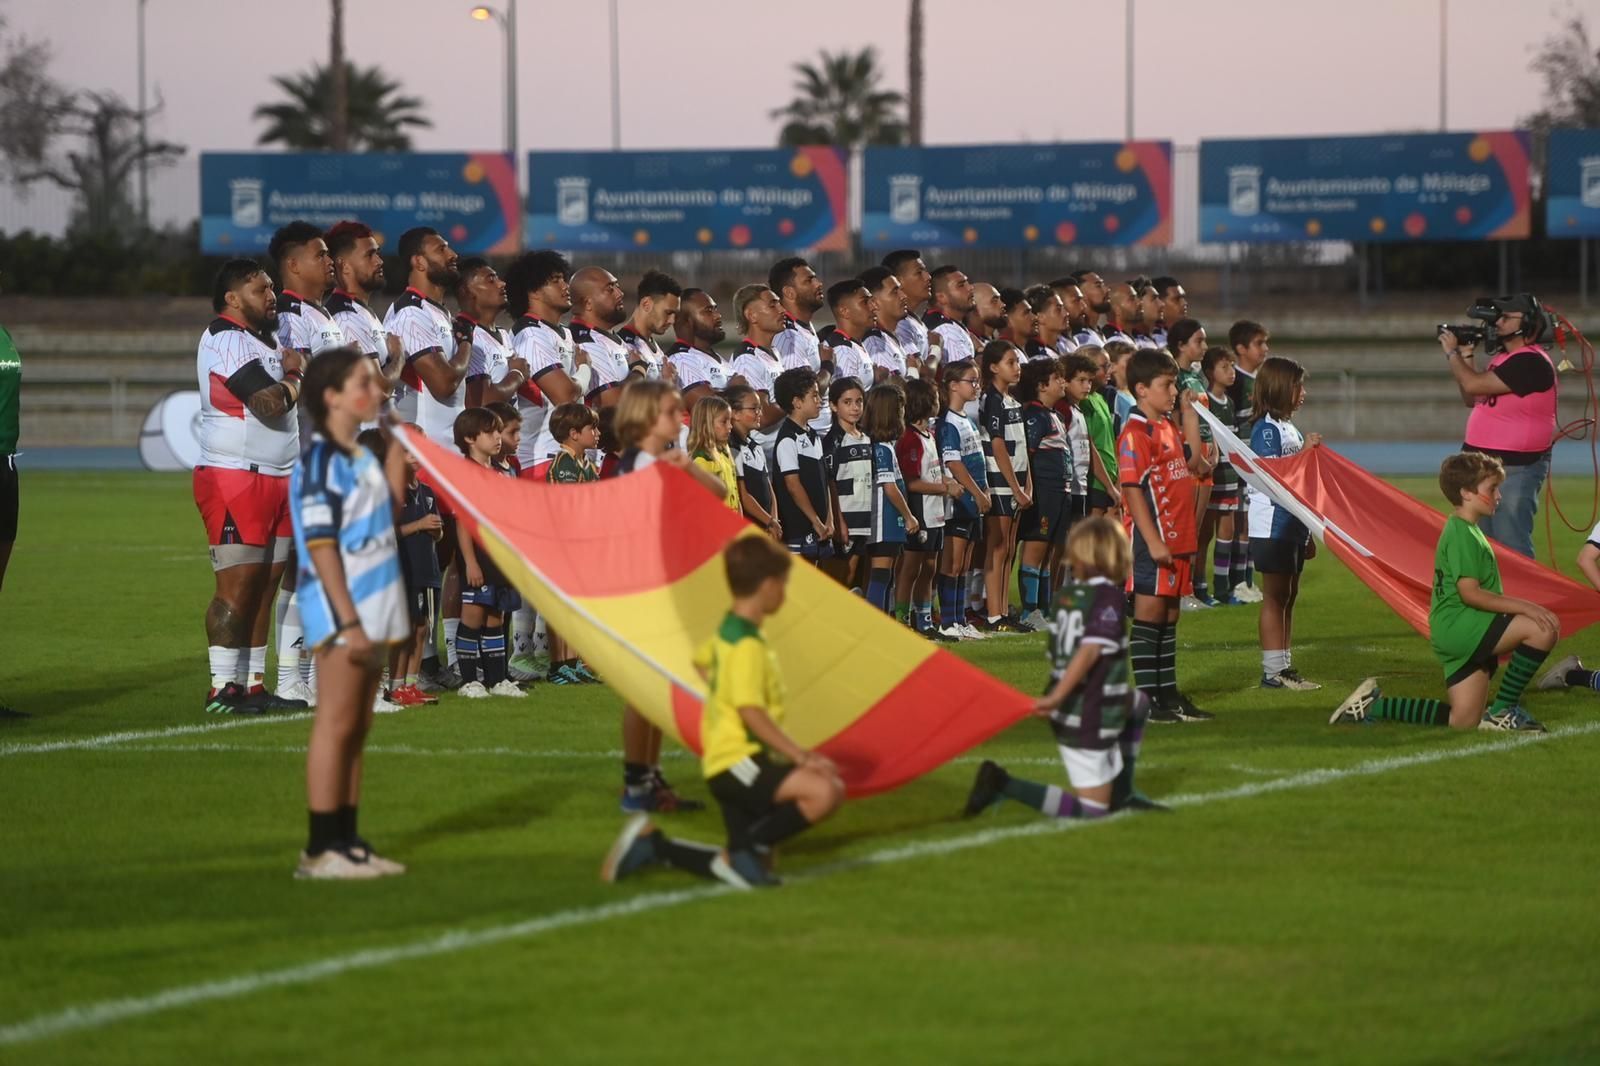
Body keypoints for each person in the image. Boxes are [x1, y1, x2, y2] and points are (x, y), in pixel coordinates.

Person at [601, 535, 845, 889]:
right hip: (735, 762)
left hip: (729, 758)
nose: (784, 595)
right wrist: (799, 755)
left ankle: (656, 847)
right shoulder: (745, 644)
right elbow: (749, 709)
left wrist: (721, 697)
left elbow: (702, 666)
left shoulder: (729, 630)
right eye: (783, 586)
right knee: (825, 792)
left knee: (748, 869)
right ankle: (747, 847)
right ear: (768, 586)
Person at [291, 346, 411, 879]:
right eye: (364, 382)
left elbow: (387, 511)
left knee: (359, 726)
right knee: (335, 723)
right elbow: (321, 547)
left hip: (378, 601)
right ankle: (320, 849)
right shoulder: (319, 462)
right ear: (332, 396)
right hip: (345, 609)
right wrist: (350, 623)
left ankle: (349, 841)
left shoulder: (360, 455)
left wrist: (397, 450)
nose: (376, 390)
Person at [1332, 451, 1553, 732]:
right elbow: (1469, 594)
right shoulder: (1463, 534)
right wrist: (1526, 607)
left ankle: (1372, 707)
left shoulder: (1465, 529)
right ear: (1467, 493)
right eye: (1492, 489)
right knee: (1542, 628)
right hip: (1461, 627)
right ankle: (1504, 709)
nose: (1498, 496)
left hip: (1451, 630)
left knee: (1463, 722)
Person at [963, 516, 1161, 820]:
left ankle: (1123, 794)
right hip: (1084, 708)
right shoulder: (1107, 598)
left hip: (1076, 696)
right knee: (1094, 810)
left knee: (1137, 703)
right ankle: (1003, 784)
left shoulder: (1069, 597)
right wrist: (1059, 699)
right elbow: (1089, 650)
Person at [194, 259, 305, 715]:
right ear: (232, 299)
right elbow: (267, 404)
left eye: (271, 287)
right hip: (236, 476)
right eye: (260, 289)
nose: (271, 294)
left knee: (264, 585)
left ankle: (254, 685)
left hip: (278, 477)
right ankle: (223, 688)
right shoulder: (225, 338)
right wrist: (295, 375)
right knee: (236, 587)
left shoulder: (269, 340)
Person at [612, 379, 726, 814]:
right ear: (643, 416)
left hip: (665, 584)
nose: (678, 419)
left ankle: (648, 777)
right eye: (669, 412)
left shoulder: (658, 460)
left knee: (659, 688)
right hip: (643, 586)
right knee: (647, 689)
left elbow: (717, 495)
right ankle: (637, 783)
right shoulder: (637, 465)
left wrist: (689, 469)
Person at [269, 221, 343, 707]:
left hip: (334, 457)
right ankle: (291, 676)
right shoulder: (289, 317)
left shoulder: (321, 314)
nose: (329, 260)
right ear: (293, 264)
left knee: (310, 571)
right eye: (319, 254)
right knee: (309, 570)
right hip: (311, 457)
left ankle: (310, 675)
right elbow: (297, 388)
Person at [1119, 347, 1212, 722]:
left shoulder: (1164, 425)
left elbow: (1190, 460)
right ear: (1142, 389)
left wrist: (1188, 413)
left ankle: (1167, 696)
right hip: (1154, 537)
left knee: (1169, 614)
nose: (1173, 391)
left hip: (1179, 535)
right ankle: (1146, 700)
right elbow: (1132, 489)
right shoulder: (1135, 432)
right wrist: (1153, 540)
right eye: (1166, 385)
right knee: (1150, 613)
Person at [1445, 294, 1557, 559]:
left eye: (1506, 318)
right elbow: (1470, 398)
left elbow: (1472, 385)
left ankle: (1525, 598)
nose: (1498, 323)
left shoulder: (1531, 361)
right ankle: (1497, 598)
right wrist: (1467, 354)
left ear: (1528, 323)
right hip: (1487, 465)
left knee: (1511, 544)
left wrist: (1451, 353)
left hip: (1516, 466)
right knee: (1486, 545)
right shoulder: (1504, 359)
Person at [1249, 357, 1322, 691]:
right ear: (1280, 388)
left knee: (1288, 596)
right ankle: (1272, 671)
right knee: (1275, 596)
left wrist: (1306, 529)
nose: (1302, 393)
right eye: (1297, 386)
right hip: (1272, 524)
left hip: (1290, 524)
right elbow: (1274, 476)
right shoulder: (1265, 429)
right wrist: (1306, 453)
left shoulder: (1287, 427)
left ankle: (1283, 665)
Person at [450, 407, 527, 700]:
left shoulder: (497, 472)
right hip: (479, 556)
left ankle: (497, 680)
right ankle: (468, 680)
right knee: (472, 617)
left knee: (496, 616)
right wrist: (469, 562)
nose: (498, 437)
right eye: (491, 432)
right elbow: (463, 523)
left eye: (499, 431)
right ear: (470, 438)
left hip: (501, 557)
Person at [365, 425, 442, 709]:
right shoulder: (390, 491)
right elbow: (388, 532)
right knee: (404, 629)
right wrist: (420, 526)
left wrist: (434, 531)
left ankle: (410, 683)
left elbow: (438, 531)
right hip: (403, 568)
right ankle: (394, 686)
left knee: (421, 628)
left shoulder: (427, 492)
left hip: (426, 568)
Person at [383, 227, 470, 450]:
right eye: (441, 249)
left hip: (446, 453)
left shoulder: (435, 311)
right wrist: (466, 344)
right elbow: (444, 383)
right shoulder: (411, 313)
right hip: (426, 456)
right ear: (419, 262)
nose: (453, 255)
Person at [504, 249, 582, 476]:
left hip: (565, 456)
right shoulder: (531, 334)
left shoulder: (563, 333)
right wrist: (585, 369)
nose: (566, 286)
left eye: (564, 279)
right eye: (556, 281)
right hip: (540, 461)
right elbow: (565, 396)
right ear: (535, 292)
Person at [543, 402, 603, 686]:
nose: (598, 433)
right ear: (574, 434)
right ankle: (559, 664)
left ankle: (574, 661)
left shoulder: (588, 465)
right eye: (592, 428)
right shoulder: (563, 465)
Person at [895, 377, 958, 639]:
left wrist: (947, 481)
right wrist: (945, 488)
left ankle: (925, 620)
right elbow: (911, 483)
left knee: (930, 567)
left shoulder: (928, 434)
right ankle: (901, 619)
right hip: (920, 510)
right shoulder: (909, 438)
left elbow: (931, 472)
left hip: (936, 511)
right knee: (911, 567)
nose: (938, 400)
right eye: (934, 396)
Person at [977, 341, 1031, 632]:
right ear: (994, 367)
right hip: (1000, 482)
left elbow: (1021, 446)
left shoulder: (1012, 401)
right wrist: (1015, 487)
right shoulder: (992, 400)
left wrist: (1027, 485)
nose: (1017, 368)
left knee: (1009, 547)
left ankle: (1002, 610)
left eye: (1018, 362)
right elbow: (997, 446)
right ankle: (994, 613)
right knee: (997, 546)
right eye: (1011, 362)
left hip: (1017, 482)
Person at [936, 359, 991, 640]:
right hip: (960, 501)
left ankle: (959, 618)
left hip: (974, 500)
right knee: (953, 562)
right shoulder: (947, 422)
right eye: (972, 380)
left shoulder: (967, 419)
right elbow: (954, 465)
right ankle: (947, 620)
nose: (977, 386)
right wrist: (978, 492)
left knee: (966, 562)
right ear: (953, 385)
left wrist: (984, 490)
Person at [323, 221, 405, 410]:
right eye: (370, 255)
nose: (379, 261)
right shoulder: (346, 317)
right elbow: (379, 390)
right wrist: (399, 355)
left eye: (377, 253)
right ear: (344, 266)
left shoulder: (361, 310)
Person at [1016, 358, 1071, 631]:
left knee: (1049, 551)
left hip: (1061, 490)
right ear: (1041, 385)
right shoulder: (1035, 415)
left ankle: (1045, 609)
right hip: (1045, 491)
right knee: (1036, 547)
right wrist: (1029, 490)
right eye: (1057, 378)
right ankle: (1029, 611)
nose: (1063, 382)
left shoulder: (1056, 415)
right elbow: (1028, 454)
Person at [862, 383, 920, 614]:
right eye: (901, 409)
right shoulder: (881, 448)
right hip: (884, 521)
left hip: (888, 521)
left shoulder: (884, 445)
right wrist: (909, 516)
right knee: (881, 574)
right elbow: (889, 486)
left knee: (886, 576)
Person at [1226, 319, 1270, 604]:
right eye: (1259, 344)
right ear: (1241, 348)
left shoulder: (1258, 381)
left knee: (1252, 521)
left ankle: (1248, 581)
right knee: (1240, 522)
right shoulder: (1235, 381)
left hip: (1256, 461)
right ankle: (1235, 583)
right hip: (1239, 462)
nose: (1265, 349)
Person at [770, 367, 834, 563]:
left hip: (820, 527)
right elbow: (793, 485)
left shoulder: (813, 435)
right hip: (799, 528)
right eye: (814, 396)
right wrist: (815, 521)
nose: (819, 401)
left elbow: (824, 481)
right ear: (797, 402)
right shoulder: (787, 439)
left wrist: (829, 519)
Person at [456, 259, 531, 411]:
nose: (502, 283)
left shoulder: (503, 334)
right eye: (491, 280)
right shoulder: (465, 335)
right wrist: (517, 374)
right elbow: (481, 402)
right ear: (467, 291)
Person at [1201, 347, 1244, 605]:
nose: (1231, 372)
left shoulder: (1230, 404)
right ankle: (1200, 585)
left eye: (1232, 366)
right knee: (1204, 532)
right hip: (1211, 475)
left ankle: (1222, 587)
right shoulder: (1205, 402)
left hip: (1229, 475)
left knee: (1226, 532)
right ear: (1210, 372)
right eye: (1224, 367)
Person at [770, 256, 832, 431]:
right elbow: (801, 392)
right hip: (806, 439)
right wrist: (828, 366)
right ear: (789, 292)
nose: (818, 284)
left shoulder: (803, 327)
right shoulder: (789, 336)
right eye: (809, 280)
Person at [822, 375, 872, 584]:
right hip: (846, 518)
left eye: (858, 401)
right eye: (847, 402)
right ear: (834, 406)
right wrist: (838, 521)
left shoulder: (867, 437)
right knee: (840, 575)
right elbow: (829, 482)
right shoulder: (832, 441)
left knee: (856, 574)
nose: (854, 407)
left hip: (865, 518)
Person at [569, 267, 633, 407]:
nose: (620, 293)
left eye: (617, 286)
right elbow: (614, 406)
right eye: (610, 289)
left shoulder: (607, 336)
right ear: (588, 303)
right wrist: (638, 370)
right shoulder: (585, 344)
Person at [729, 285, 788, 426]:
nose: (782, 310)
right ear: (751, 315)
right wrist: (796, 398)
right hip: (762, 448)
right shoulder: (747, 359)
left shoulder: (774, 351)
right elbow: (762, 417)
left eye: (779, 303)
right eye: (773, 305)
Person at [726, 384, 780, 538]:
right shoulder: (732, 449)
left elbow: (769, 488)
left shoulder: (756, 447)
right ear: (735, 413)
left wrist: (774, 519)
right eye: (754, 408)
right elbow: (743, 495)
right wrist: (769, 521)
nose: (759, 413)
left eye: (760, 408)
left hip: (767, 526)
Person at [1076, 345, 1121, 518]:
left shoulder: (1099, 398)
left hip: (1109, 479)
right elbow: (1090, 446)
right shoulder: (1084, 402)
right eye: (1105, 366)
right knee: (1093, 541)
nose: (1111, 370)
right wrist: (1109, 486)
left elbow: (1110, 440)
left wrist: (1116, 480)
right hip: (1096, 483)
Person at [667, 289, 729, 407]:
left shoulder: (718, 359)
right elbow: (709, 408)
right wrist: (738, 390)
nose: (718, 315)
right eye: (708, 311)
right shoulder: (680, 359)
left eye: (715, 309)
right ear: (686, 321)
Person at [618, 269, 682, 381]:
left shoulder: (654, 347)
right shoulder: (622, 346)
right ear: (646, 304)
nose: (672, 320)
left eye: (675, 314)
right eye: (668, 312)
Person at [883, 249, 933, 372]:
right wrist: (936, 347)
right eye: (919, 272)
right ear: (898, 281)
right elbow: (921, 372)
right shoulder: (899, 324)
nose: (928, 277)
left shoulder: (910, 320)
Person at [689, 395, 740, 511]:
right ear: (706, 424)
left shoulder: (725, 452)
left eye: (730, 421)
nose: (730, 426)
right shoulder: (702, 460)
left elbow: (735, 496)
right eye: (724, 422)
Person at [860, 266, 911, 382]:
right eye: (895, 292)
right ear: (874, 302)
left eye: (901, 290)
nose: (904, 296)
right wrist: (914, 370)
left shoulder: (888, 336)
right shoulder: (875, 342)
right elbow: (891, 394)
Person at [923, 266, 979, 368]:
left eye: (968, 283)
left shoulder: (947, 323)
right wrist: (981, 351)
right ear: (941, 297)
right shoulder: (945, 329)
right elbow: (968, 377)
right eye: (961, 285)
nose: (970, 287)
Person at [825, 279, 878, 387]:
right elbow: (848, 400)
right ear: (844, 311)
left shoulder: (853, 343)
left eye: (872, 301)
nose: (874, 307)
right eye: (865, 302)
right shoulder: (843, 350)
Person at [1067, 269, 1110, 347]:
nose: (1106, 290)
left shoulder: (1098, 332)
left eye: (1103, 285)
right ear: (1080, 293)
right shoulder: (1080, 338)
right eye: (1098, 286)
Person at [1151, 276, 1187, 349]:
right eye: (1177, 299)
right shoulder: (1149, 342)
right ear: (1159, 302)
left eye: (1183, 298)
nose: (1184, 303)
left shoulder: (1185, 336)